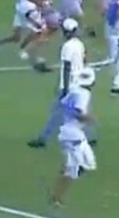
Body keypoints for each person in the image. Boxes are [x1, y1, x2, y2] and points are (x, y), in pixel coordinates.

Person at [29, 18, 90, 148]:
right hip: (79, 83)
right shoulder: (79, 44)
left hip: (69, 85)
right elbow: (84, 61)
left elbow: (67, 67)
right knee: (78, 112)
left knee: (57, 113)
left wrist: (65, 89)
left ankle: (42, 139)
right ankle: (90, 136)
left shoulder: (67, 47)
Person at [51, 68, 98, 207]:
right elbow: (78, 113)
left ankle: (68, 169)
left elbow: (63, 103)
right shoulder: (83, 94)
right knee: (73, 170)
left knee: (89, 164)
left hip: (73, 133)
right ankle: (56, 198)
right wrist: (90, 119)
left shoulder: (74, 89)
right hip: (72, 135)